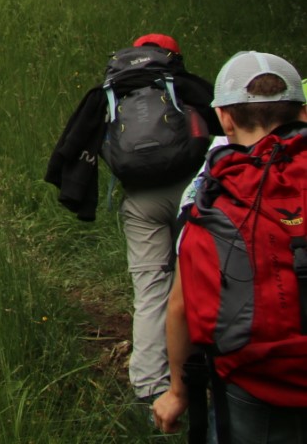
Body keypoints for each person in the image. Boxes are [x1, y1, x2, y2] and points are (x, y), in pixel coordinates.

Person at [45, 33, 215, 408]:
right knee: (201, 281)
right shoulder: (182, 83)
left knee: (151, 290)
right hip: (192, 195)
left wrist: (76, 193)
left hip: (140, 202)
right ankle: (207, 377)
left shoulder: (113, 91)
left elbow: (77, 143)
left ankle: (149, 388)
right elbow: (222, 126)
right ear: (172, 56)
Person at [154, 51, 307, 440]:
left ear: (225, 119)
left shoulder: (211, 197)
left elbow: (181, 306)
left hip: (254, 383)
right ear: (303, 113)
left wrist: (178, 392)